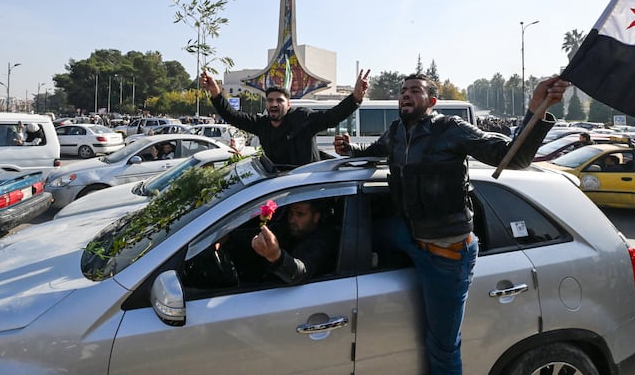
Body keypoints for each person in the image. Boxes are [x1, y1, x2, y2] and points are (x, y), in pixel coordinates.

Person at [333, 73, 568, 375]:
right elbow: (372, 153)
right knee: (363, 232)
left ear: (431, 101)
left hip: (447, 255)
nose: (405, 95)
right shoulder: (395, 133)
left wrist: (536, 111)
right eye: (403, 91)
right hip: (410, 236)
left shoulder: (450, 129)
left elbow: (512, 156)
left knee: (443, 346)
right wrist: (349, 150)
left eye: (414, 91)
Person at [200, 69, 371, 166]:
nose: (274, 104)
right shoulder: (262, 124)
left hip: (307, 185)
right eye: (270, 100)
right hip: (279, 188)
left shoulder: (302, 119)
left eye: (279, 100)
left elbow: (332, 117)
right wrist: (216, 93)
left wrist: (355, 97)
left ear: (288, 104)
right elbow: (233, 116)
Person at [250, 201, 336, 284]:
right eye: (290, 213)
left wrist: (275, 257)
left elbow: (300, 273)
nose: (292, 220)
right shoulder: (289, 229)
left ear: (316, 217)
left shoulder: (322, 242)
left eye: (300, 214)